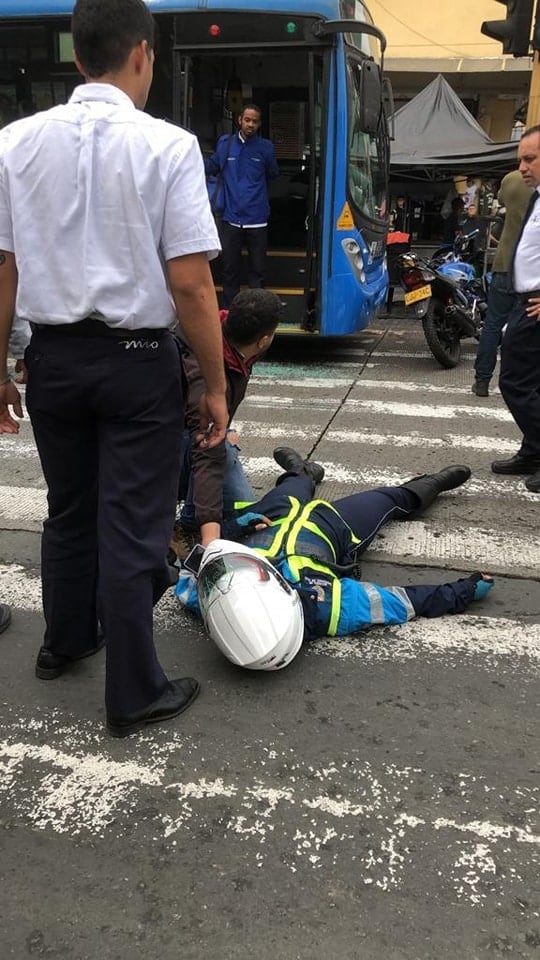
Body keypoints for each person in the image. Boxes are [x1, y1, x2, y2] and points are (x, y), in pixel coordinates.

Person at [0, 0, 230, 737]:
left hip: (53, 360)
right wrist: (217, 383)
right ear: (142, 53)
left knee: (69, 509)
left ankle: (64, 643)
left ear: (77, 58)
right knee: (132, 529)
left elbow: (3, 271)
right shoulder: (168, 146)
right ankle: (133, 692)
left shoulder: (14, 143)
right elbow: (191, 285)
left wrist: (2, 367)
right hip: (135, 364)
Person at [176, 449, 494, 642]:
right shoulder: (325, 607)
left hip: (271, 518)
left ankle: (303, 471)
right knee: (389, 499)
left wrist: (236, 527)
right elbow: (404, 601)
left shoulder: (206, 597)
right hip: (332, 528)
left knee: (295, 485)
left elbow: (194, 563)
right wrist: (463, 591)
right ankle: (433, 482)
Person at [177, 289, 282, 549]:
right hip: (169, 450)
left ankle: (200, 514)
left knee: (250, 513)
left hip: (194, 436)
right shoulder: (207, 370)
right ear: (264, 340)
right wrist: (210, 542)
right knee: (250, 518)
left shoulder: (234, 345)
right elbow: (206, 449)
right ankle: (195, 517)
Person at [492, 125, 540, 494]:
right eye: (520, 159)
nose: (522, 167)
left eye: (530, 158)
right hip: (524, 298)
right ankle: (533, 450)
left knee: (515, 380)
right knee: (529, 381)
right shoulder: (536, 196)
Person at [206, 104, 279, 306]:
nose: (250, 124)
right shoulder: (225, 144)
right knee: (230, 270)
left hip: (257, 220)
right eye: (247, 120)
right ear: (240, 120)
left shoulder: (265, 147)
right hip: (231, 218)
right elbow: (211, 167)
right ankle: (230, 313)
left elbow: (274, 172)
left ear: (259, 124)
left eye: (255, 121)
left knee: (257, 270)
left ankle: (256, 311)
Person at [472, 170, 531, 398]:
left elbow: (503, 204)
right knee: (524, 331)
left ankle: (482, 381)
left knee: (493, 325)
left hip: (505, 263)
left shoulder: (511, 179)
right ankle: (516, 382)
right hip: (530, 272)